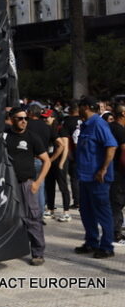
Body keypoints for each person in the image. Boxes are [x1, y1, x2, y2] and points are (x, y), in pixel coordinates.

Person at [5, 107, 51, 265]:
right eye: (20, 118)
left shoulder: (32, 137)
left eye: (26, 118)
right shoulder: (4, 137)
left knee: (33, 218)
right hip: (9, 185)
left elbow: (47, 160)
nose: (24, 121)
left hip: (27, 183)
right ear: (11, 119)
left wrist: (37, 183)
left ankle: (38, 253)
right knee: (10, 217)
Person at [73, 96, 118, 258]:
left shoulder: (98, 124)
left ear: (85, 107)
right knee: (86, 211)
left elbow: (111, 145)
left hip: (98, 178)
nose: (77, 109)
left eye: (79, 106)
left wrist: (103, 169)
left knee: (102, 212)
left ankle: (107, 246)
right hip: (85, 177)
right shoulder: (85, 125)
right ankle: (91, 242)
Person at [42, 109, 72, 222]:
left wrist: (61, 163)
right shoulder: (46, 129)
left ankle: (66, 211)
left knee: (63, 186)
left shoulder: (61, 129)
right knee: (49, 186)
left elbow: (65, 147)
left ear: (53, 118)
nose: (45, 119)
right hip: (49, 161)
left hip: (59, 161)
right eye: (43, 117)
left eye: (47, 117)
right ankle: (50, 209)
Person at [107, 104, 125, 245]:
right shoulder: (119, 130)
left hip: (114, 170)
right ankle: (115, 234)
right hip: (119, 171)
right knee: (117, 202)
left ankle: (116, 230)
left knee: (116, 201)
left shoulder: (112, 127)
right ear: (123, 114)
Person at [60, 101, 82, 208]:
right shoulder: (84, 120)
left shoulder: (67, 121)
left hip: (73, 153)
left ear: (70, 110)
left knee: (74, 178)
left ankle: (77, 201)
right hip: (86, 153)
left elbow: (65, 139)